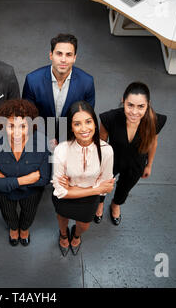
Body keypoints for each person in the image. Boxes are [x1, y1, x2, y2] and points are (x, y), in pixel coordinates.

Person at [95, 82, 167, 226]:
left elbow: (153, 143)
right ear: (123, 101)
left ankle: (115, 204)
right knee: (102, 184)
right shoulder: (110, 118)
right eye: (130, 105)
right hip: (112, 160)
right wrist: (98, 166)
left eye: (141, 106)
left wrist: (149, 165)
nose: (134, 112)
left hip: (136, 163)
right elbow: (101, 143)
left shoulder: (155, 121)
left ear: (148, 104)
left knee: (125, 187)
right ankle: (100, 203)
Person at [52, 101, 115, 256]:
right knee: (62, 219)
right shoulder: (61, 150)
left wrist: (71, 188)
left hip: (88, 200)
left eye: (88, 122)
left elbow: (106, 185)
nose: (84, 128)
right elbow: (60, 192)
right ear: (71, 127)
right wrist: (96, 189)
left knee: (84, 225)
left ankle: (76, 235)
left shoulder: (106, 151)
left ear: (95, 123)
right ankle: (64, 234)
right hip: (71, 198)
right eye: (77, 124)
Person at [0, 99, 51, 247]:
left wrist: (6, 179)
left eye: (23, 126)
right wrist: (24, 180)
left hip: (31, 192)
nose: (16, 132)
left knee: (29, 213)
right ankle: (14, 229)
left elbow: (44, 179)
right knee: (8, 213)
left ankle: (24, 229)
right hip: (5, 193)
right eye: (11, 126)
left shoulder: (42, 143)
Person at [22, 33, 95, 145]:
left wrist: (66, 141)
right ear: (51, 55)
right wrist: (44, 139)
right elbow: (28, 117)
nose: (63, 59)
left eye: (69, 55)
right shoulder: (32, 80)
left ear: (74, 58)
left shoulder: (87, 82)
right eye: (59, 54)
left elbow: (85, 118)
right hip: (39, 140)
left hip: (72, 140)